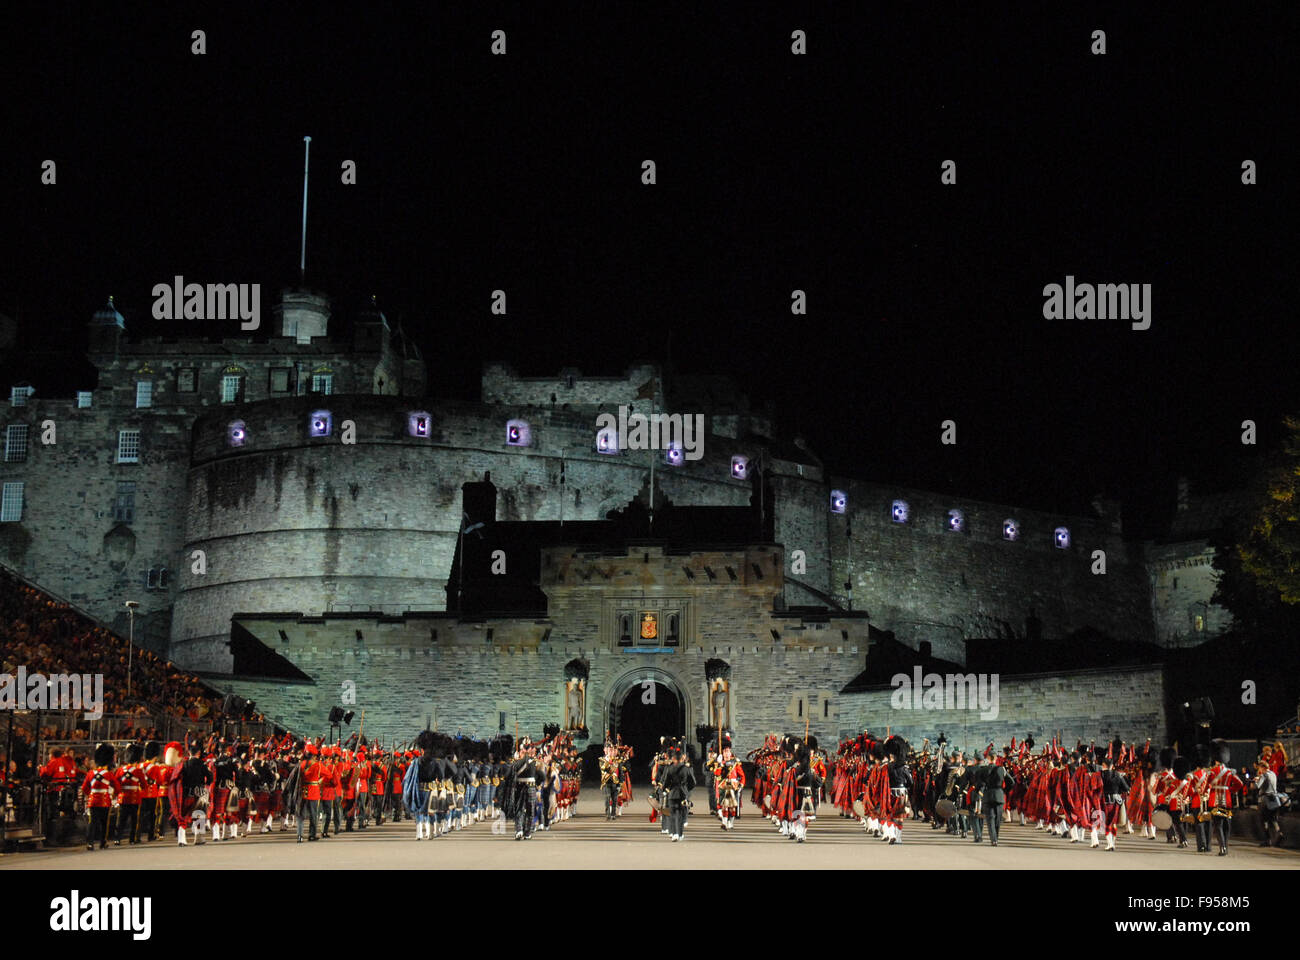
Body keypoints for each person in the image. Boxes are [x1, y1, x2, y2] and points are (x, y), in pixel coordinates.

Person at [81, 743, 118, 850]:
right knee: (104, 823)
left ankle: (90, 843)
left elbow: (84, 788)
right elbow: (117, 788)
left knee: (92, 822)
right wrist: (112, 796)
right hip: (104, 800)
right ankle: (103, 842)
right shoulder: (108, 774)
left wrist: (90, 795)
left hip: (93, 800)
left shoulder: (91, 773)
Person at [661, 743, 696, 842]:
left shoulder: (669, 768)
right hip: (683, 794)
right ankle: (680, 834)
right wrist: (686, 789)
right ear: (682, 759)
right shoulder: (687, 769)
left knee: (672, 814)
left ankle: (673, 833)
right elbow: (693, 782)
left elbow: (666, 782)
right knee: (680, 814)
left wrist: (664, 790)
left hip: (672, 794)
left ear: (674, 759)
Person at [1253, 759, 1285, 847]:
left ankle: (1267, 840)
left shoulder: (1264, 775)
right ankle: (1279, 833)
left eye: (1259, 768)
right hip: (1274, 799)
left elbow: (1257, 786)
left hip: (1264, 800)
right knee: (1273, 818)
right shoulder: (1273, 774)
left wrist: (1256, 780)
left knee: (1263, 820)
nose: (1259, 770)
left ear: (1262, 767)